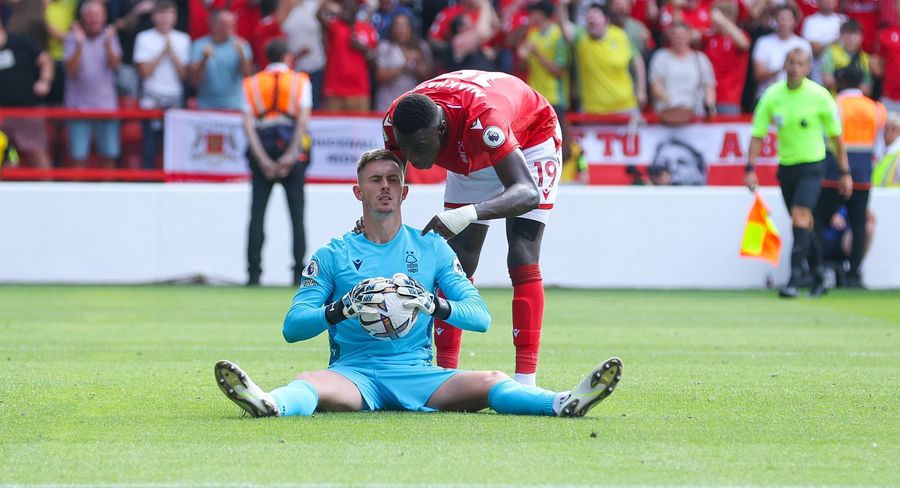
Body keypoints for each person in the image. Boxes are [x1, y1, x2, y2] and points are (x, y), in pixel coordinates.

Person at [214, 148, 623, 418]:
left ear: (406, 191)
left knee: (493, 380)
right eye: (376, 180)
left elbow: (479, 317)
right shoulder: (332, 254)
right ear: (358, 191)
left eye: (393, 179)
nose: (385, 187)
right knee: (309, 382)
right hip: (355, 374)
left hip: (419, 375)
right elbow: (292, 327)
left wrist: (433, 303)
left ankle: (562, 402)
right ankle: (271, 405)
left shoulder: (433, 249)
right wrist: (345, 308)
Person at [382, 70, 560, 386]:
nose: (415, 158)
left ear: (439, 127)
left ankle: (525, 381)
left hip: (529, 141)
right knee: (456, 263)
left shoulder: (484, 118)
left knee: (521, 253)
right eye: (407, 148)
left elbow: (527, 192)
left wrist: (470, 213)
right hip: (467, 151)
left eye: (420, 148)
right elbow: (390, 184)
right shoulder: (396, 119)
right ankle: (443, 375)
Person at [745, 48, 852, 298]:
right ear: (785, 65)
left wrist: (845, 171)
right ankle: (818, 274)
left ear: (807, 68)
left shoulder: (820, 96)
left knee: (800, 216)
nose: (795, 67)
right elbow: (758, 134)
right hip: (787, 167)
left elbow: (836, 137)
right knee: (804, 222)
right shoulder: (772, 96)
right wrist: (750, 168)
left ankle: (794, 279)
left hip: (813, 164)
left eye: (800, 63)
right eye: (791, 62)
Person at [241, 39, 312, 287]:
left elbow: (248, 125)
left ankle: (253, 273)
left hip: (262, 151)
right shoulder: (300, 81)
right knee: (297, 215)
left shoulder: (251, 83)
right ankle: (297, 273)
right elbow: (302, 121)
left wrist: (263, 160)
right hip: (291, 154)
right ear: (288, 57)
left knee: (257, 214)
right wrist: (290, 157)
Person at [812, 65, 885, 289]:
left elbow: (824, 139)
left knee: (818, 220)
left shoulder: (834, 105)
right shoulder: (876, 108)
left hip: (834, 173)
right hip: (863, 173)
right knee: (858, 223)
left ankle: (817, 269)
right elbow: (879, 147)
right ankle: (854, 275)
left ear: (838, 82)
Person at [558, 0, 646, 118]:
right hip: (592, 111)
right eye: (588, 17)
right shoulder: (581, 37)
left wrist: (641, 90)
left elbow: (637, 61)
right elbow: (565, 29)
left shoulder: (620, 36)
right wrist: (562, 6)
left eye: (595, 16)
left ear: (606, 20)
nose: (590, 19)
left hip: (625, 108)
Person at [63, 0, 122, 168]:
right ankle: (76, 194)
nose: (94, 19)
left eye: (98, 15)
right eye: (90, 15)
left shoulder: (110, 37)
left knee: (109, 155)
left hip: (106, 106)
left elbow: (115, 66)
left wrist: (108, 44)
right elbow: (70, 70)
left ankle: (109, 193)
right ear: (83, 18)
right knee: (78, 157)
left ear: (104, 18)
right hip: (78, 108)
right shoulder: (73, 38)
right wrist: (80, 45)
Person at [133, 0, 190, 169]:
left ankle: (173, 186)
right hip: (151, 100)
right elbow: (144, 72)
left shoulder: (183, 39)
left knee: (173, 149)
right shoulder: (144, 38)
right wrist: (162, 51)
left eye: (169, 14)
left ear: (175, 16)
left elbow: (184, 74)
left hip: (175, 100)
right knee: (149, 148)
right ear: (153, 16)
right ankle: (146, 186)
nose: (165, 18)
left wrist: (172, 52)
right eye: (161, 14)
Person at [0, 19, 53, 168]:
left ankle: (48, 188)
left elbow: (45, 60)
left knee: (37, 151)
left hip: (27, 110)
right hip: (2, 114)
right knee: (7, 155)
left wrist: (45, 80)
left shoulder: (21, 42)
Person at [649, 22, 716, 123]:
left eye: (683, 35)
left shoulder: (700, 59)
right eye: (675, 35)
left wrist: (710, 107)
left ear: (689, 36)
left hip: (696, 114)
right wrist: (671, 104)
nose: (679, 39)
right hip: (667, 113)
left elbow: (709, 86)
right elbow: (656, 85)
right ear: (670, 37)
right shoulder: (661, 57)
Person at [317, 0, 378, 111]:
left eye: (350, 7)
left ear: (356, 9)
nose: (347, 10)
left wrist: (363, 49)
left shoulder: (366, 29)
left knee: (360, 126)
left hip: (359, 90)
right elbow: (319, 16)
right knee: (333, 125)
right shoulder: (335, 27)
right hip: (335, 89)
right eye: (344, 7)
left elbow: (375, 60)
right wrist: (328, 3)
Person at [189, 9, 253, 110]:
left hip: (235, 106)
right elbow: (194, 81)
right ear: (215, 26)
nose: (233, 27)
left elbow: (248, 75)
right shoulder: (199, 46)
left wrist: (241, 55)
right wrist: (203, 59)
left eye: (234, 23)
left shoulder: (241, 44)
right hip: (206, 107)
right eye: (228, 24)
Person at [373, 13, 433, 112]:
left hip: (413, 103)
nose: (401, 30)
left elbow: (429, 77)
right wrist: (404, 66)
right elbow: (380, 76)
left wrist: (418, 64)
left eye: (404, 26)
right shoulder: (385, 47)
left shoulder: (421, 46)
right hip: (387, 102)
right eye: (397, 26)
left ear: (411, 28)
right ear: (392, 29)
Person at [751, 6, 812, 102]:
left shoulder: (803, 44)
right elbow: (758, 74)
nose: (785, 23)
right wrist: (782, 68)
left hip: (796, 96)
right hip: (767, 95)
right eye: (782, 19)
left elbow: (807, 72)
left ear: (795, 22)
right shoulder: (763, 42)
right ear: (775, 21)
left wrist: (792, 69)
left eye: (788, 19)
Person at [820, 20, 872, 97]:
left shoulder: (865, 59)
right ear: (841, 36)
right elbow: (827, 80)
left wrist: (841, 80)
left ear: (861, 37)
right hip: (835, 99)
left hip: (857, 101)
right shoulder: (831, 52)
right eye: (847, 34)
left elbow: (867, 89)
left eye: (855, 35)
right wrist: (855, 83)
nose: (851, 38)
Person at [872, 111, 900, 187]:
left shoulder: (897, 155)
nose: (887, 133)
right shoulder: (882, 152)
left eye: (893, 129)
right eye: (886, 128)